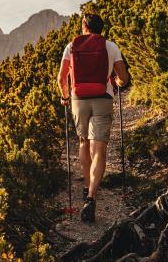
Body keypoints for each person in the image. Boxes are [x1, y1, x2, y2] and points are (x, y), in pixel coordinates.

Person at [57, 13, 129, 223]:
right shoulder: (111, 46)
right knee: (99, 147)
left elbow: (61, 77)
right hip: (103, 97)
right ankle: (91, 197)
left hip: (78, 98)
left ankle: (87, 184)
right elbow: (123, 78)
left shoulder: (71, 46)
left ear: (84, 27)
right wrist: (117, 82)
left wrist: (64, 97)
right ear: (101, 28)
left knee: (83, 142)